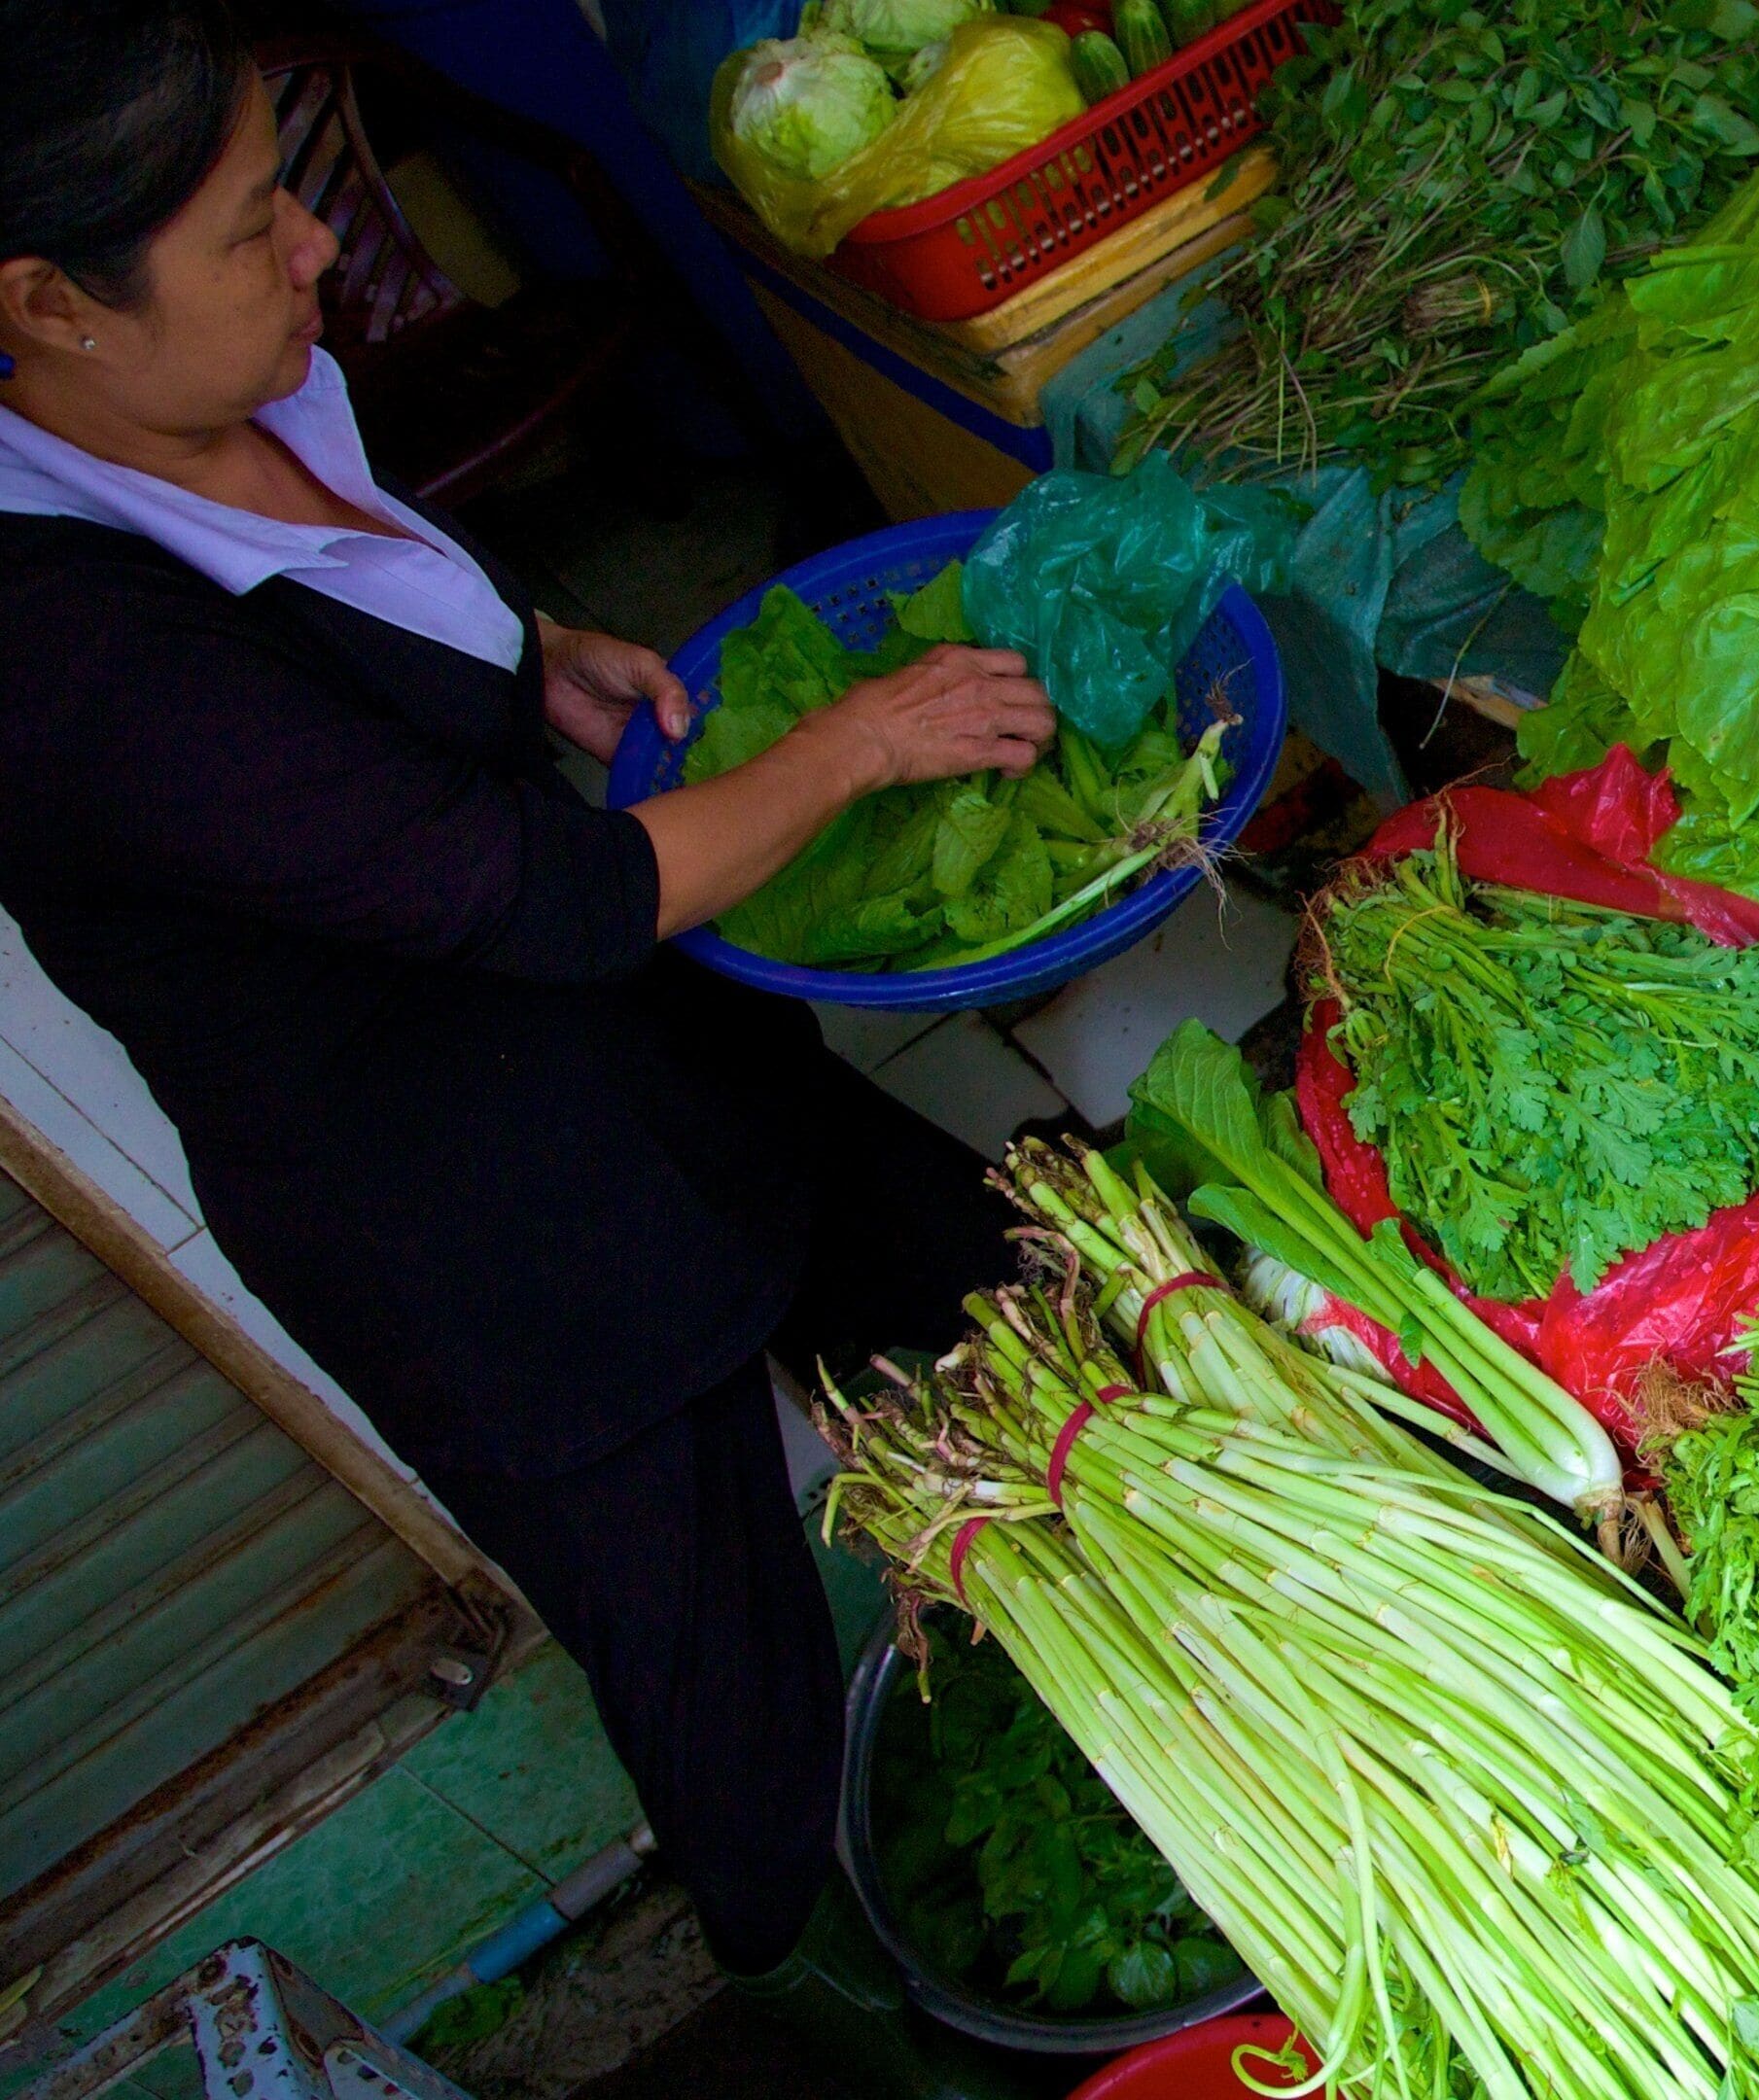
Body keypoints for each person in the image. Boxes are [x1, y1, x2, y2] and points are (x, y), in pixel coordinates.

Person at [0, 0, 1063, 2051]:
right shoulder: (67, 674)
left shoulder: (212, 398)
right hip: (482, 1236)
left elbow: (356, 613)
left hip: (638, 1058)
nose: (321, 246)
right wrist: (860, 740)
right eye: (253, 226)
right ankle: (854, 2010)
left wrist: (521, 655)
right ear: (47, 305)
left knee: (1006, 1290)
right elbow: (560, 896)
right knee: (737, 1716)